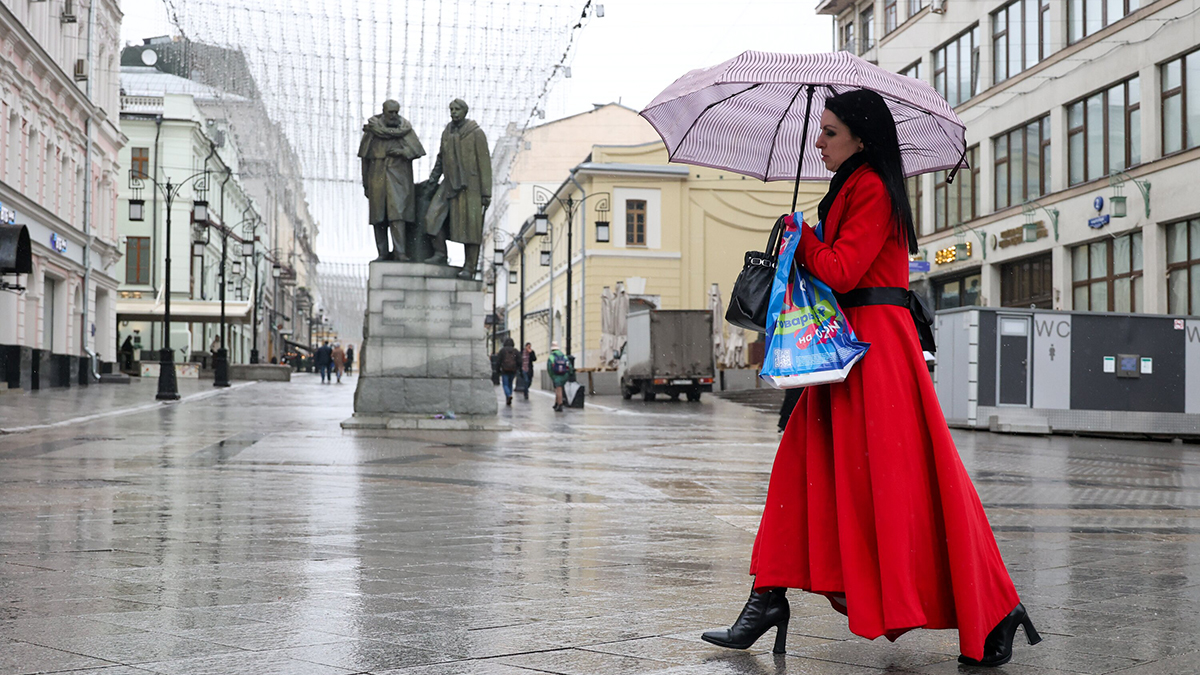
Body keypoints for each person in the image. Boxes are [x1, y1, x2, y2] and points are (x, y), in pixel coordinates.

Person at [701, 90, 1038, 668]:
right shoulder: (849, 187)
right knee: (801, 472)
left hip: (874, 350)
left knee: (908, 486)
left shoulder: (874, 189)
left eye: (829, 132)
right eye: (821, 131)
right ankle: (766, 598)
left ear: (861, 136)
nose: (819, 142)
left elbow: (841, 268)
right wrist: (802, 236)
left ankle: (997, 608)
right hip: (840, 349)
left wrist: (802, 237)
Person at [423, 99, 491, 279]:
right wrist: (433, 180)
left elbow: (484, 164)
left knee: (471, 228)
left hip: (472, 186)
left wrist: (486, 193)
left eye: (457, 109)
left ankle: (469, 267)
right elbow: (441, 158)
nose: (453, 112)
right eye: (451, 109)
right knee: (432, 217)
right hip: (449, 183)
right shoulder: (447, 132)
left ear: (465, 111)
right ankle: (440, 254)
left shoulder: (476, 133)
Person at [359, 99, 426, 262]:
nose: (394, 115)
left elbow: (417, 150)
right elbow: (365, 158)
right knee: (378, 217)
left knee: (398, 215)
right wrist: (366, 184)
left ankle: (399, 252)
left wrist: (403, 152)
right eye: (391, 112)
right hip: (377, 177)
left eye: (396, 112)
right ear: (383, 112)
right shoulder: (372, 131)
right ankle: (382, 252)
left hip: (399, 177)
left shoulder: (405, 129)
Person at [547, 341, 571, 412]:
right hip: (564, 374)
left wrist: (552, 376)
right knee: (558, 389)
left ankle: (560, 404)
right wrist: (568, 374)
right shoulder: (564, 356)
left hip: (556, 375)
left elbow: (549, 368)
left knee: (558, 389)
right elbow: (569, 366)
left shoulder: (551, 357)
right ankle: (556, 403)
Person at [496, 338, 521, 406]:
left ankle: (508, 395)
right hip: (513, 370)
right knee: (510, 384)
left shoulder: (502, 351)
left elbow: (498, 361)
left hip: (504, 370)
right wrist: (518, 369)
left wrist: (497, 370)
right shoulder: (515, 351)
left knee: (505, 384)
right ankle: (509, 396)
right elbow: (519, 361)